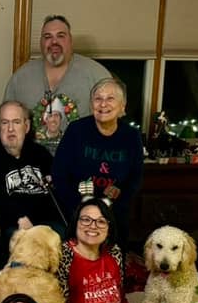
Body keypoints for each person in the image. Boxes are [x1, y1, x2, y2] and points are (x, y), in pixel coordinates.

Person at [52, 76, 144, 249]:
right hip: (76, 212)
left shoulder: (131, 136)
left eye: (110, 98)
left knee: (113, 261)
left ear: (122, 106)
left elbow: (135, 177)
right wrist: (83, 209)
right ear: (91, 104)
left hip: (115, 214)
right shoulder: (76, 130)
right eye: (98, 99)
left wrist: (115, 200)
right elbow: (59, 174)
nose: (103, 104)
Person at [3, 15, 110, 153]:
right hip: (32, 160)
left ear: (70, 41)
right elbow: (6, 126)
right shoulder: (20, 78)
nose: (54, 41)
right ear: (41, 42)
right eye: (47, 37)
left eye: (61, 36)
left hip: (81, 159)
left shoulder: (97, 75)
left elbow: (112, 126)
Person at [0, 100, 64, 238]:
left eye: (16, 122)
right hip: (12, 224)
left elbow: (57, 187)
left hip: (47, 221)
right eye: (5, 122)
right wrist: (19, 217)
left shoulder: (41, 153)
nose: (10, 129)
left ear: (26, 126)